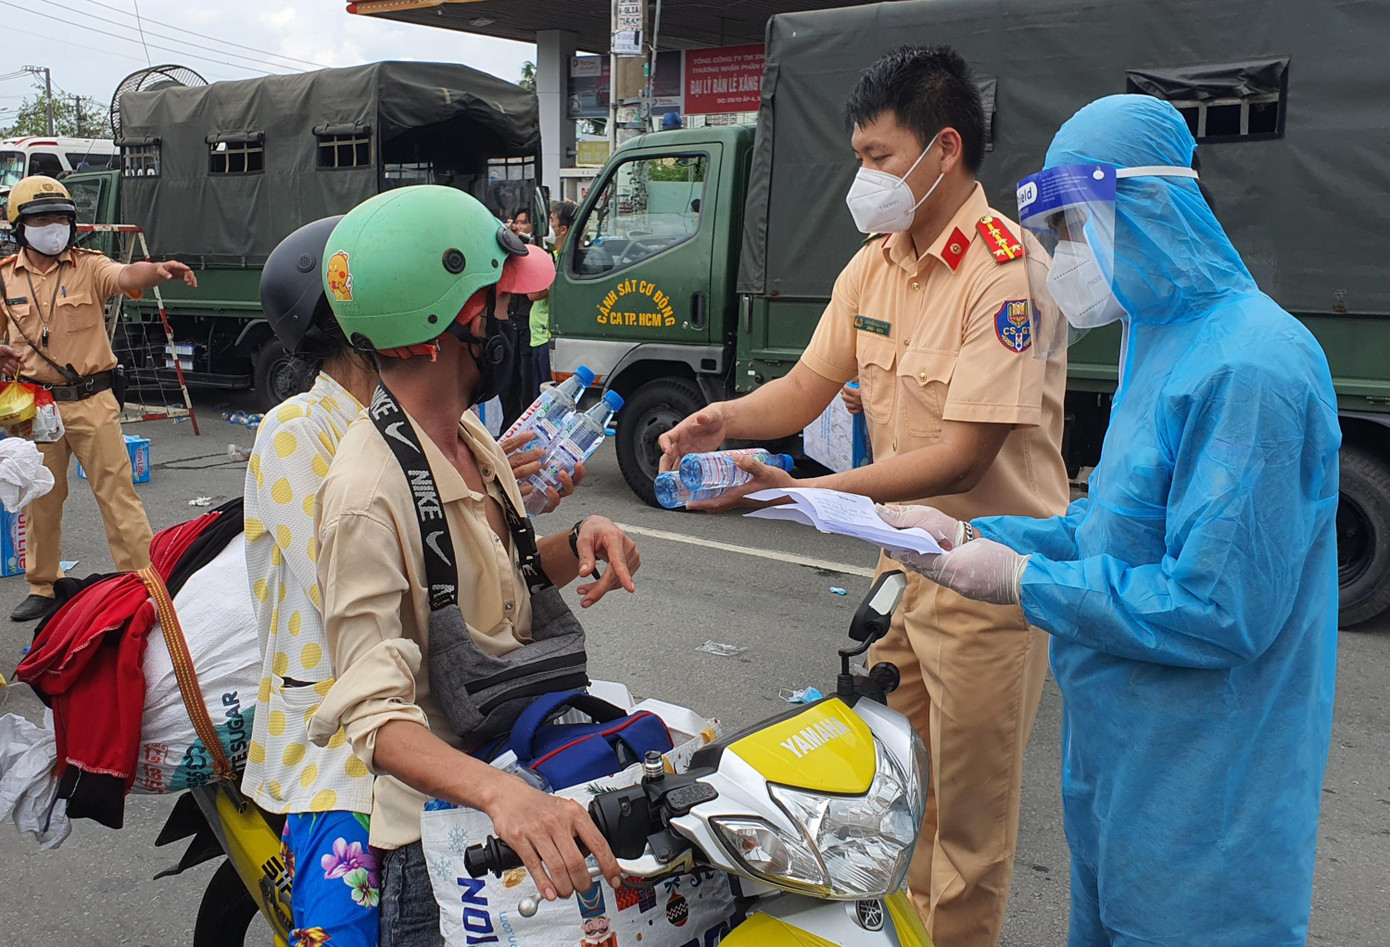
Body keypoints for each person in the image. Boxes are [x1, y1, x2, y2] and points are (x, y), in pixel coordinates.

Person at [880, 95, 1340, 946]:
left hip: (1207, 789)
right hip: (1118, 762)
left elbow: (1218, 608)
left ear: (1147, 210)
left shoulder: (1253, 367)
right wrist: (976, 537)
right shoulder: (1155, 341)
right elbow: (1113, 530)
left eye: (1075, 227)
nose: (1062, 257)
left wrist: (1025, 582)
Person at [659, 46, 1068, 945]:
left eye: (879, 156)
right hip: (902, 574)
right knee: (887, 799)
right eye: (859, 156)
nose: (863, 177)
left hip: (985, 580)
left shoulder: (1006, 272)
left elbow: (963, 459)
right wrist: (723, 421)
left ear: (943, 149)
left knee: (965, 825)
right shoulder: (877, 263)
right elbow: (805, 386)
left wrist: (800, 492)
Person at [306, 186, 642, 945]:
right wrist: (503, 798)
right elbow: (377, 717)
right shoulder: (367, 492)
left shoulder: (467, 439)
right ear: (441, 324)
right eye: (499, 303)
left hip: (524, 799)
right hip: (446, 857)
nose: (511, 323)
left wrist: (582, 534)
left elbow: (499, 580)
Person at [242, 217, 582, 946]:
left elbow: (473, 593)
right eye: (491, 303)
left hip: (452, 737)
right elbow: (382, 595)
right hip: (339, 751)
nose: (505, 321)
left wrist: (526, 527)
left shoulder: (450, 429)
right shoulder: (305, 434)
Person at [0, 175, 198, 622]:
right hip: (35, 408)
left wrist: (157, 269)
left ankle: (145, 582)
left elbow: (126, 275)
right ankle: (43, 585)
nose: (52, 227)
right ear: (19, 227)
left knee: (118, 493)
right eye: (40, 219)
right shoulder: (4, 277)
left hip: (92, 398)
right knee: (41, 497)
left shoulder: (89, 265)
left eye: (60, 219)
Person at [523, 200, 578, 399]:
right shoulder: (553, 257)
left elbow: (534, 293)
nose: (548, 226)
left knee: (549, 400)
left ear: (563, 229)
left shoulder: (562, 261)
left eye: (551, 220)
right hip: (538, 337)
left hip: (548, 338)